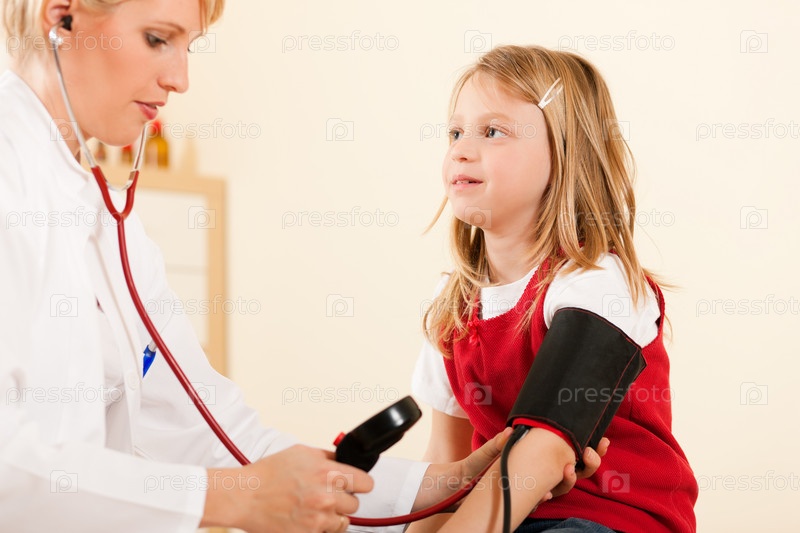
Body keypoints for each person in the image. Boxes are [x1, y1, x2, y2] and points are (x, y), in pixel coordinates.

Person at [0, 2, 606, 531]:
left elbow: (218, 434)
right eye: (158, 39)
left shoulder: (108, 222)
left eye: (190, 48)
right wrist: (230, 499)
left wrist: (450, 482)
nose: (180, 79)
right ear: (62, 15)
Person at [408, 45, 699, 533]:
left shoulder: (598, 282)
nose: (460, 149)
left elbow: (545, 448)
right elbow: (445, 462)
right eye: (456, 133)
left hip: (611, 520)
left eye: (492, 132)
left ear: (565, 153)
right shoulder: (452, 306)